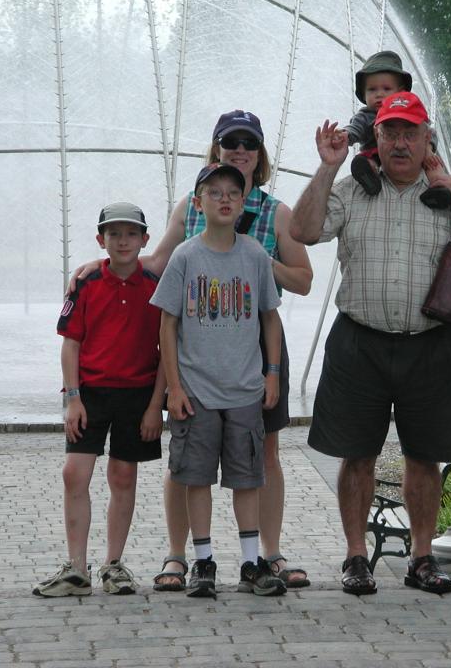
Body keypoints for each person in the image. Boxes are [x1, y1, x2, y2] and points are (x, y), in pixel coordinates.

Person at [71, 109, 313, 590]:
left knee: (262, 454)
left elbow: (303, 280)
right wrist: (105, 264)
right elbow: (158, 263)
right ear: (216, 150)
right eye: (230, 142)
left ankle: (268, 554)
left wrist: (257, 263)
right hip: (198, 353)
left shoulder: (276, 211)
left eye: (248, 142)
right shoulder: (191, 206)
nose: (239, 149)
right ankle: (181, 555)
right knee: (189, 459)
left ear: (259, 154)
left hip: (254, 351)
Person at [290, 91, 451, 595]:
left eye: (410, 133)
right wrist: (326, 167)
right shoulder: (352, 189)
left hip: (430, 344)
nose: (400, 143)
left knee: (425, 456)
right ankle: (356, 557)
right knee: (356, 454)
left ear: (428, 139)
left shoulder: (447, 193)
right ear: (376, 138)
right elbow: (303, 229)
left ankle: (422, 557)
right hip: (360, 342)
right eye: (391, 132)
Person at [150, 163, 285, 599]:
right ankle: (203, 561)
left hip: (245, 390)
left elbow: (270, 318)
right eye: (214, 193)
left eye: (233, 193)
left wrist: (273, 373)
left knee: (247, 478)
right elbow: (167, 326)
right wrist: (174, 386)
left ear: (244, 204)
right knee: (196, 478)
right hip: (197, 393)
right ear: (198, 203)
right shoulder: (185, 257)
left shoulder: (255, 256)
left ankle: (250, 563)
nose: (224, 199)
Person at [33, 202, 166, 597]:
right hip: (89, 394)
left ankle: (114, 565)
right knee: (74, 473)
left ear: (144, 240)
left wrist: (154, 406)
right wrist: (73, 398)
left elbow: (168, 347)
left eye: (130, 234)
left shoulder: (157, 286)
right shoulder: (86, 283)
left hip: (138, 394)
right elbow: (70, 344)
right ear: (100, 240)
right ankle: (76, 569)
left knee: (123, 476)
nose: (122, 241)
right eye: (113, 234)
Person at [345, 50, 451, 209]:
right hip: (375, 155)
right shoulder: (366, 115)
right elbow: (355, 128)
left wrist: (429, 149)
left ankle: (439, 189)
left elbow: (429, 132)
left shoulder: (411, 110)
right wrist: (345, 136)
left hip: (411, 157)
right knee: (367, 161)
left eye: (386, 89)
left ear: (401, 92)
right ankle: (370, 178)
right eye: (372, 90)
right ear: (364, 93)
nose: (379, 94)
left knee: (433, 164)